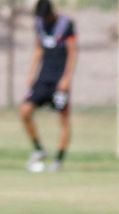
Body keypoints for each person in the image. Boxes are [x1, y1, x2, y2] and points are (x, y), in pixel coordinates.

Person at [20, 0, 77, 172]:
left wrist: (67, 78)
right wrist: (31, 73)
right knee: (25, 111)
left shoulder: (66, 25)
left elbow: (73, 52)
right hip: (43, 78)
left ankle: (58, 159)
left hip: (59, 80)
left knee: (63, 119)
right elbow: (38, 48)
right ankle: (38, 149)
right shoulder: (39, 24)